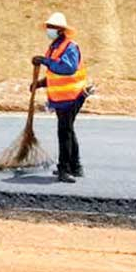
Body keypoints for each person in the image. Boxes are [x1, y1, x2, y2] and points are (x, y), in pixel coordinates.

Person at [32, 12, 89, 184]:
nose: (49, 30)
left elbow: (68, 68)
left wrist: (44, 61)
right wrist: (40, 83)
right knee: (68, 129)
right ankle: (76, 166)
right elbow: (55, 74)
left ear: (60, 30)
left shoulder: (69, 46)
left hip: (73, 95)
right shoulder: (54, 47)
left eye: (52, 27)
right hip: (62, 97)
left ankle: (65, 169)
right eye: (48, 27)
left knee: (64, 131)